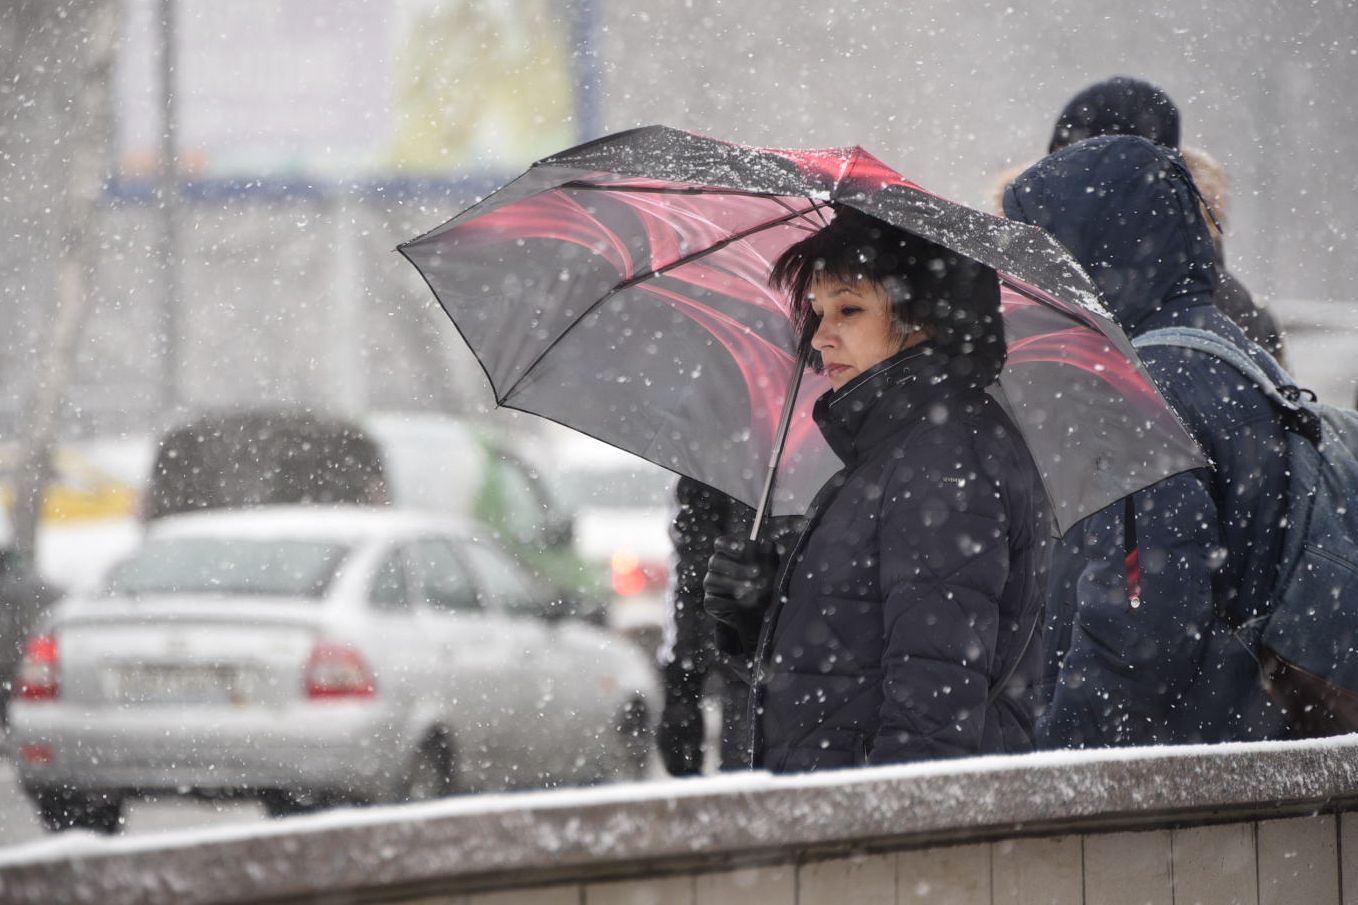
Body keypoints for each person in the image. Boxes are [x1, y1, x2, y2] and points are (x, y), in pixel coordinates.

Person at [701, 206, 1051, 773]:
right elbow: (850, 666)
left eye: (850, 308)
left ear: (927, 319)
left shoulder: (943, 453)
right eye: (817, 311)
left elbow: (933, 698)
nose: (819, 336)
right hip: (843, 816)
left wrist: (888, 837)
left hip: (876, 836)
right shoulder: (897, 447)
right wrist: (765, 612)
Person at [1003, 135, 1293, 746]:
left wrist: (1057, 764)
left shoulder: (1137, 392)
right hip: (1253, 744)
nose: (1030, 280)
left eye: (1042, 250)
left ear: (1093, 249)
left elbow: (1138, 621)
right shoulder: (1228, 350)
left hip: (1168, 779)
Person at [1043, 76, 1286, 361]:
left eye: (1070, 164)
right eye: (1051, 162)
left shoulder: (1218, 308)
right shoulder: (1022, 275)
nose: (1048, 181)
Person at [655, 477, 754, 775]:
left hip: (833, 681)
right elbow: (696, 576)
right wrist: (682, 689)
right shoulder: (728, 452)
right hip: (749, 680)